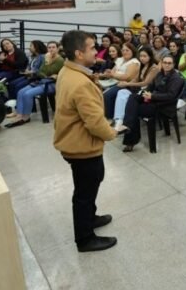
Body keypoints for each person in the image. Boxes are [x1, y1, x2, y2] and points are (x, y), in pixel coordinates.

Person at [53, 30, 119, 252]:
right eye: (92, 47)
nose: (96, 50)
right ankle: (85, 238)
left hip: (75, 141)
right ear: (79, 53)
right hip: (81, 145)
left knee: (88, 185)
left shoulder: (68, 70)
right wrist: (112, 133)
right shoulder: (79, 82)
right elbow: (94, 121)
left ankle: (90, 218)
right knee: (85, 192)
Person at [118, 55, 184, 152]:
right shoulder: (159, 74)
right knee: (133, 97)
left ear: (173, 64)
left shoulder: (176, 78)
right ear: (161, 63)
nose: (166, 65)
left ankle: (130, 139)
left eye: (169, 63)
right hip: (153, 99)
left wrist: (152, 96)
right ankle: (127, 126)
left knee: (133, 110)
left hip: (164, 105)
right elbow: (150, 87)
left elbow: (171, 96)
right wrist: (146, 94)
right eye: (164, 62)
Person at [5, 41, 65, 128]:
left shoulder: (59, 60)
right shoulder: (46, 58)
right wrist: (45, 72)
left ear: (57, 48)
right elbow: (40, 73)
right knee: (21, 92)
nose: (51, 49)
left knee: (27, 94)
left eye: (53, 47)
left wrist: (47, 65)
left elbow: (47, 72)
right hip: (42, 81)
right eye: (49, 47)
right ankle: (19, 115)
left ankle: (26, 117)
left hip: (51, 84)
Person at [110, 46, 159, 131]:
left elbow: (145, 83)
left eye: (144, 56)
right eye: (141, 56)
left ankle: (125, 123)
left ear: (150, 57)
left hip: (147, 92)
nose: (142, 58)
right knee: (121, 92)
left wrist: (127, 83)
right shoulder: (142, 66)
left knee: (127, 96)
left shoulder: (154, 68)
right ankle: (118, 120)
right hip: (138, 89)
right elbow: (136, 79)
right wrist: (127, 83)